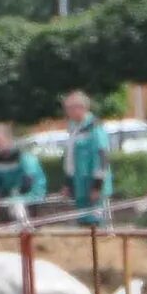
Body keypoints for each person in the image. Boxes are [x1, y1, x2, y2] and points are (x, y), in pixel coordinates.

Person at [0, 124, 45, 221]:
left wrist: (11, 195)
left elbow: (28, 184)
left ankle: (26, 230)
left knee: (16, 206)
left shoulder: (25, 158)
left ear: (8, 140)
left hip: (31, 195)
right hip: (10, 196)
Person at [61, 90, 112, 218]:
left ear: (82, 107)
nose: (67, 112)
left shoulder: (95, 128)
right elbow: (70, 159)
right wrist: (68, 183)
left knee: (97, 225)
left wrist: (97, 186)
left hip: (94, 186)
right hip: (80, 186)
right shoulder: (73, 129)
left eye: (70, 108)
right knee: (84, 225)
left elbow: (102, 158)